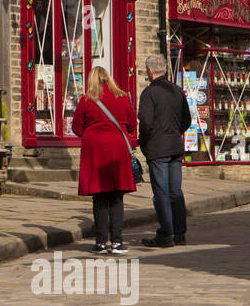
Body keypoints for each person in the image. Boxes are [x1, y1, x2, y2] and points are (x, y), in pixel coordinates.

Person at [72, 66, 137, 254]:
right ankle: (117, 242)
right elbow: (132, 124)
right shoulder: (123, 97)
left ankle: (101, 242)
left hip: (96, 150)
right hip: (117, 148)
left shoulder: (86, 100)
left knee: (100, 197)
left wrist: (91, 132)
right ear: (109, 78)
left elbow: (76, 127)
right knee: (117, 196)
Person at [137, 53, 192, 249]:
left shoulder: (149, 93)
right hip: (175, 146)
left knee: (161, 192)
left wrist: (143, 142)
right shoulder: (177, 91)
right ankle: (179, 233)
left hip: (158, 147)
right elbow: (187, 120)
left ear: (151, 71)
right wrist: (175, 132)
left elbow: (145, 122)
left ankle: (166, 233)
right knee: (175, 191)